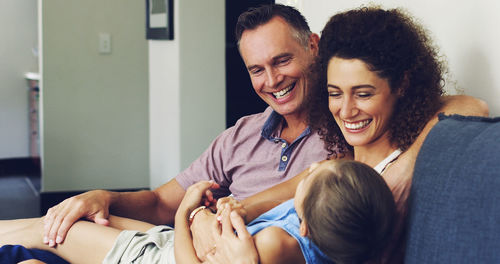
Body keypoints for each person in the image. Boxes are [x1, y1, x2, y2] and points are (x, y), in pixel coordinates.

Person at [206, 6, 489, 263]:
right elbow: (247, 207)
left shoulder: (378, 182)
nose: (346, 110)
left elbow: (472, 106)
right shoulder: (335, 168)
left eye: (363, 94)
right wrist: (199, 217)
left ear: (402, 85)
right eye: (334, 93)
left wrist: (407, 166)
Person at [39, 3, 329, 250]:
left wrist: (202, 214)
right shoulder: (242, 134)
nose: (272, 80)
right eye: (257, 70)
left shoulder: (346, 134)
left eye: (282, 61)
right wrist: (104, 197)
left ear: (313, 46)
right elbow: (161, 203)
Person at [1, 160, 397, 264]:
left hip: (163, 256)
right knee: (50, 220)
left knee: (57, 229)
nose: (307, 171)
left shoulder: (276, 245)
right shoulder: (341, 227)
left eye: (309, 179)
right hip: (170, 244)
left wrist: (186, 212)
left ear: (305, 226)